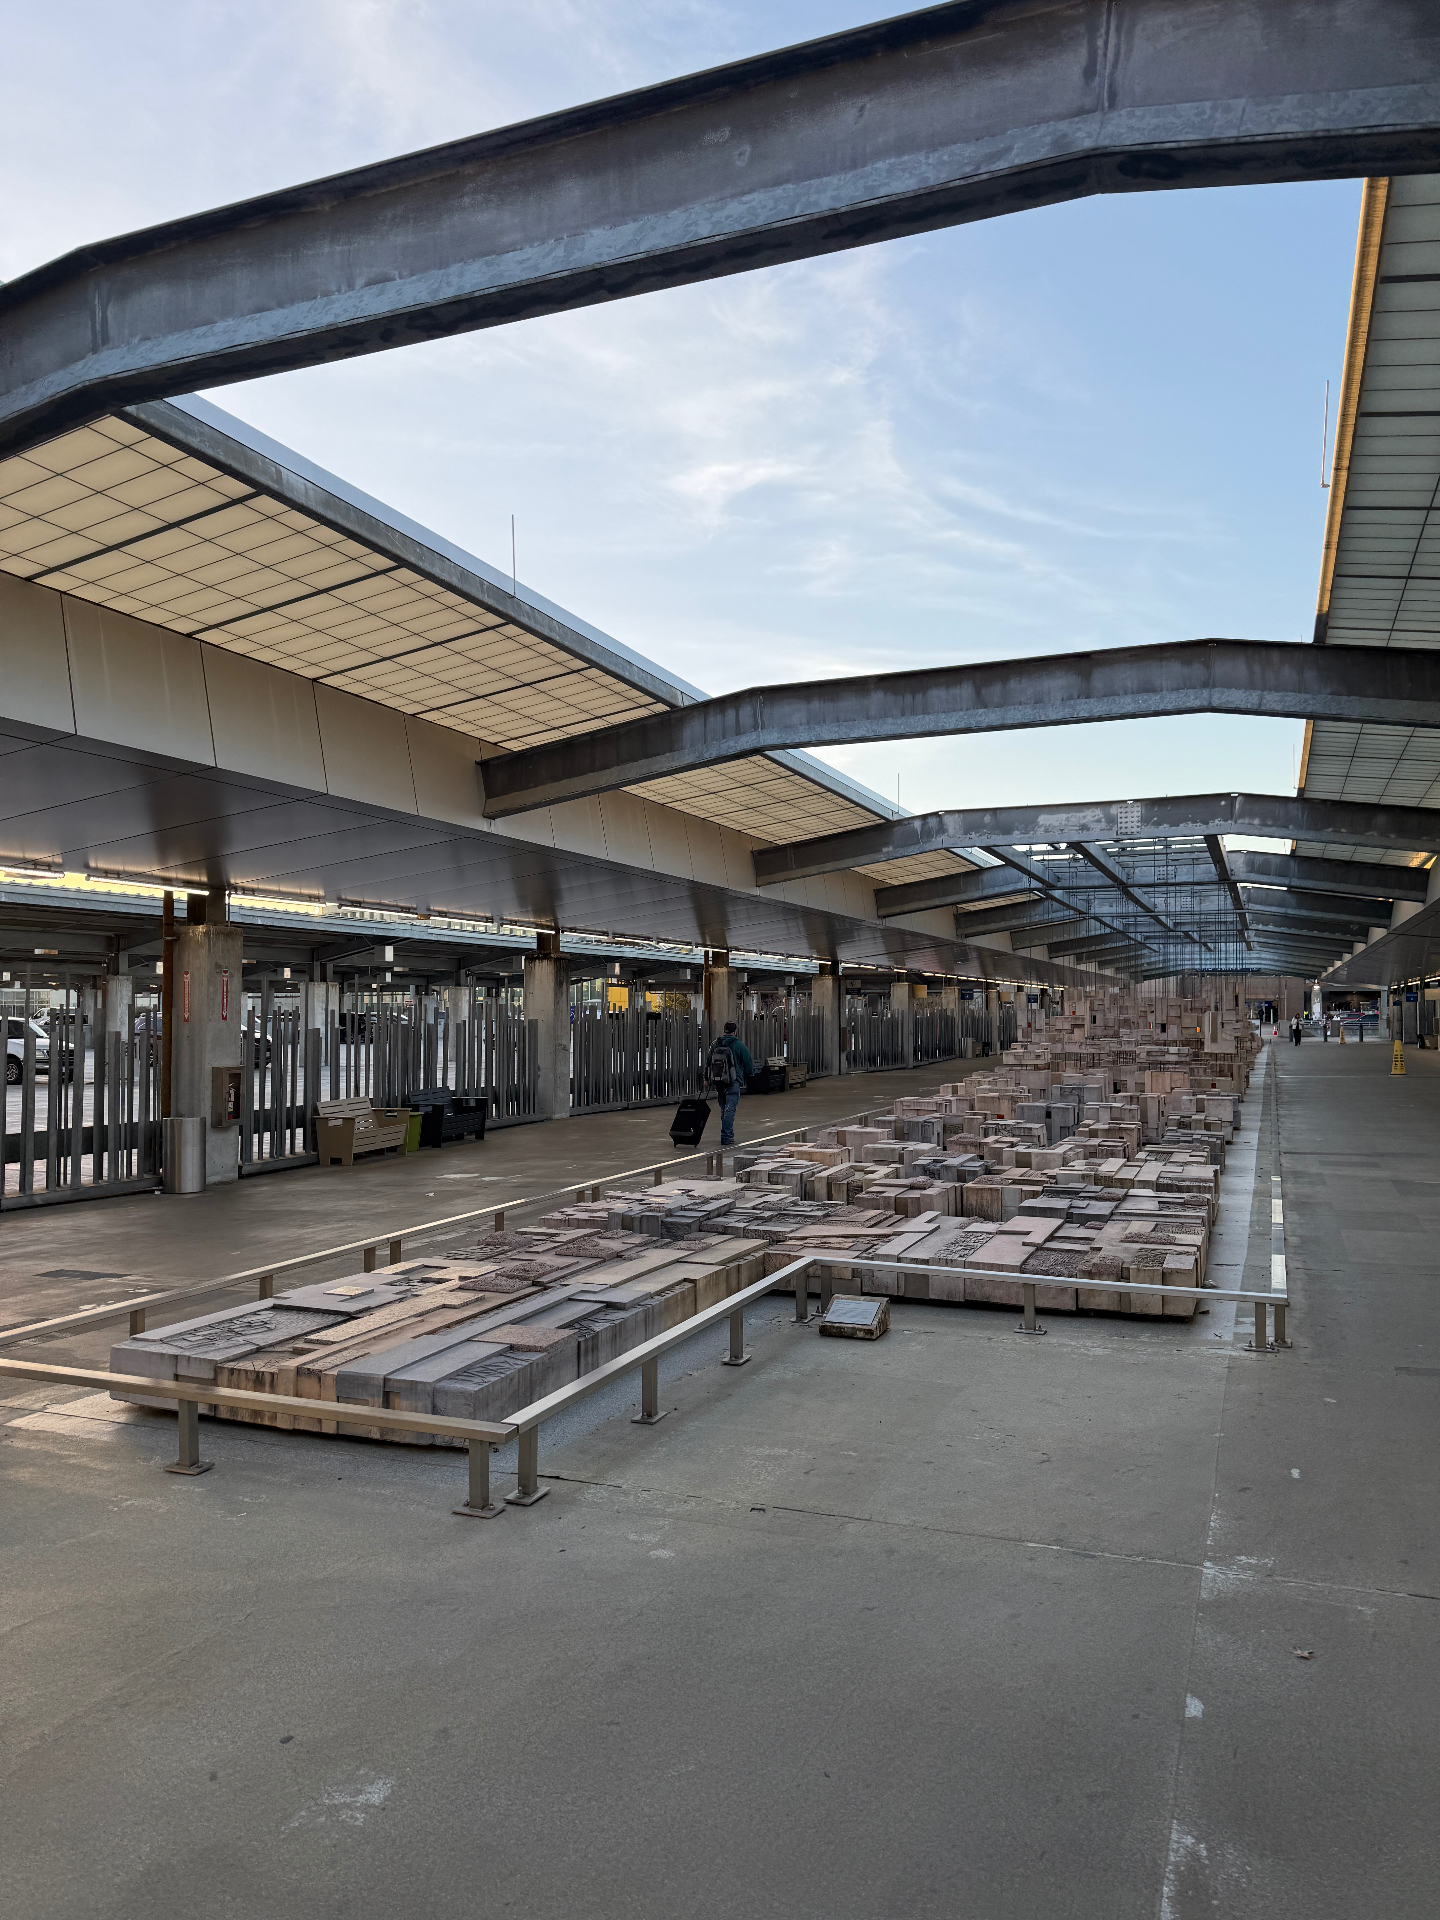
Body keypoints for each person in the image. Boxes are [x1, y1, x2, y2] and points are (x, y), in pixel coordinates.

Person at [707, 1019, 756, 1149]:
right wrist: (751, 1073)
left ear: (724, 1030)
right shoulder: (738, 1045)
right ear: (735, 1031)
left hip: (718, 1082)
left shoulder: (715, 1044)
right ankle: (726, 1136)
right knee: (730, 1109)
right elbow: (748, 1063)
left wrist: (706, 1078)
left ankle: (728, 1133)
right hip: (733, 1081)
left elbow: (708, 1061)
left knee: (724, 1108)